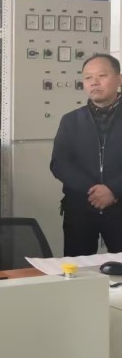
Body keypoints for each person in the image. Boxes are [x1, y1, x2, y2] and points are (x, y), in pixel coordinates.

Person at [51, 53, 122, 256]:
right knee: (77, 269)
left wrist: (113, 190)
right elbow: (59, 163)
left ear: (119, 79)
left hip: (119, 206)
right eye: (88, 77)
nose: (94, 82)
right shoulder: (71, 120)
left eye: (102, 75)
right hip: (81, 208)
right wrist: (94, 191)